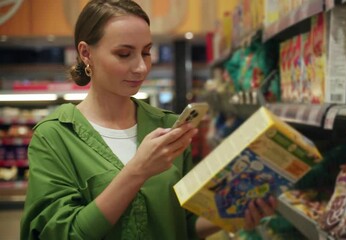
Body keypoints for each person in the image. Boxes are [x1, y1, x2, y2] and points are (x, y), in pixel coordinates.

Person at [20, 0, 277, 239]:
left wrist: (234, 214)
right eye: (124, 54)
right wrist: (138, 170)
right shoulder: (54, 136)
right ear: (86, 54)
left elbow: (183, 223)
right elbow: (61, 233)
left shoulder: (168, 126)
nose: (141, 67)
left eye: (146, 52)